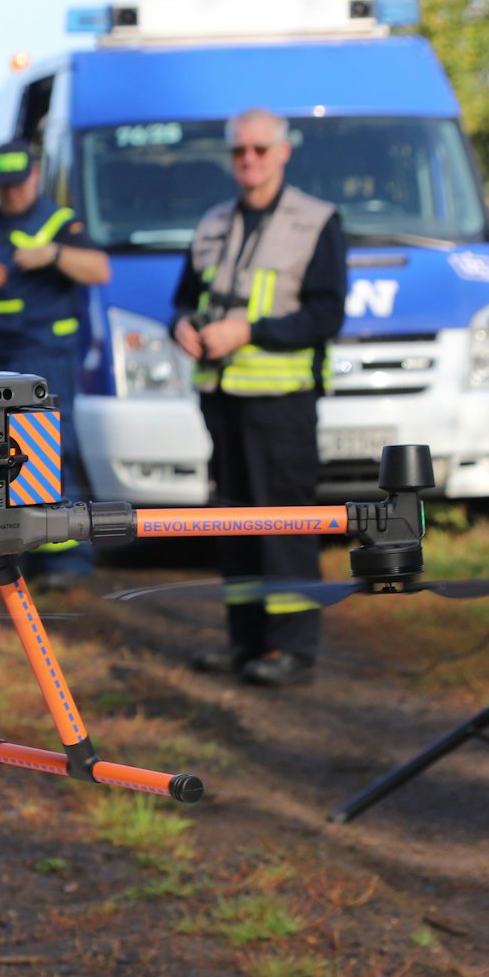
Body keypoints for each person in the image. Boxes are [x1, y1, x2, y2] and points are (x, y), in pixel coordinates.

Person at [170, 107, 348, 688]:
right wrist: (182, 326)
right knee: (235, 524)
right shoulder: (213, 222)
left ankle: (292, 648)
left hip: (282, 400)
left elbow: (325, 315)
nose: (248, 160)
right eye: (238, 151)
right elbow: (183, 297)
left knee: (286, 526)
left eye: (259, 149)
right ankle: (244, 640)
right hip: (220, 398)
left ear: (283, 151)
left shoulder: (317, 221)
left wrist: (249, 331)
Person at [0, 140, 111, 589]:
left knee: (52, 451)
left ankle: (67, 559)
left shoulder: (58, 223)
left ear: (34, 176)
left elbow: (100, 269)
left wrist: (54, 255)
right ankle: (12, 553)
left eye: (19, 184)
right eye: (3, 186)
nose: (13, 195)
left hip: (46, 356)